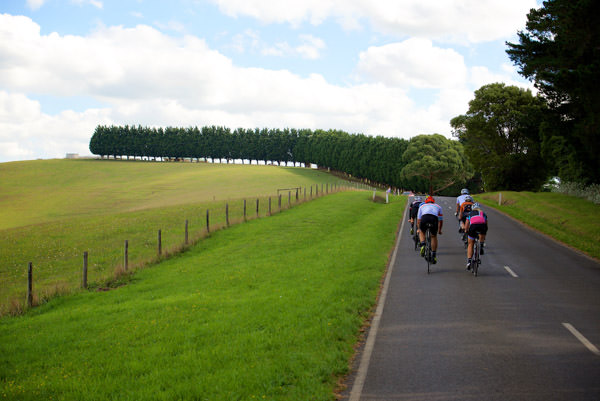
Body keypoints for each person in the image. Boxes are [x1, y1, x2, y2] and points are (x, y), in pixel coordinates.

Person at [417, 195, 444, 264]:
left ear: (426, 201)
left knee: (422, 231)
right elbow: (440, 221)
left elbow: (418, 220)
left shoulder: (422, 206)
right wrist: (439, 230)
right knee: (433, 236)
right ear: (434, 201)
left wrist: (419, 228)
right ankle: (434, 255)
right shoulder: (438, 206)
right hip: (433, 219)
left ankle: (423, 244)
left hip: (424, 218)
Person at [465, 202, 488, 271]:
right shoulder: (484, 214)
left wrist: (466, 230)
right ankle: (481, 244)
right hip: (482, 226)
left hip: (473, 226)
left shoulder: (470, 214)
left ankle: (469, 261)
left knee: (470, 243)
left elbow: (466, 225)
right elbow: (486, 225)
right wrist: (484, 236)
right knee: (482, 233)